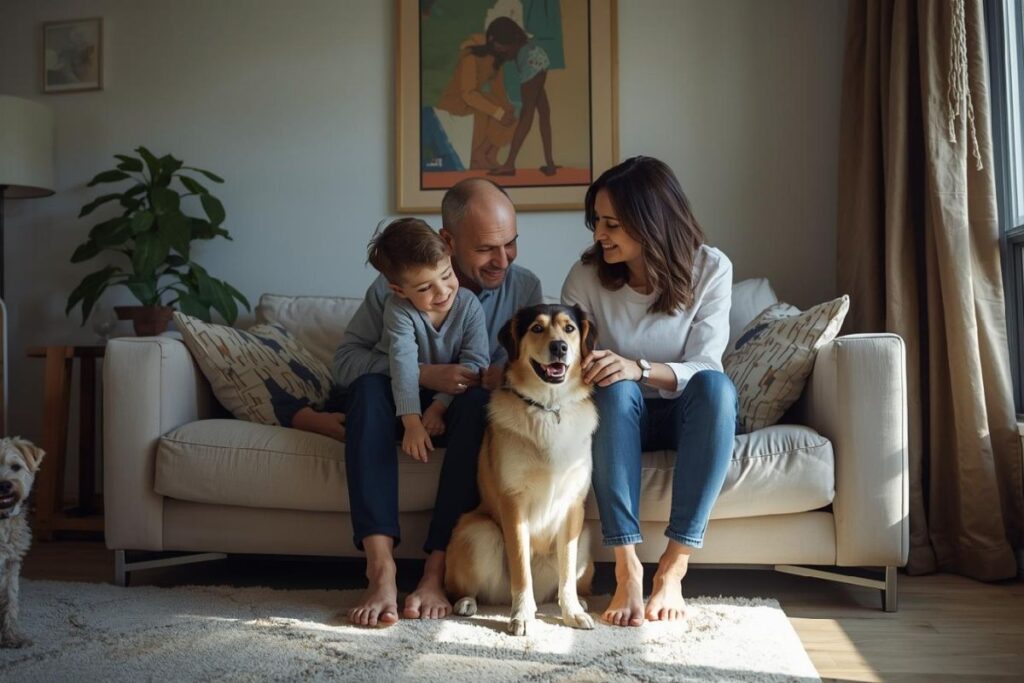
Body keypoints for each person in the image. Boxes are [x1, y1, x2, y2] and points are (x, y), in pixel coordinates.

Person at [332, 178, 543, 627]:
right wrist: (424, 375)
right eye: (488, 248)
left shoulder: (524, 290)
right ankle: (381, 569)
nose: (502, 260)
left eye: (511, 244)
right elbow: (345, 363)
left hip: (465, 412)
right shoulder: (397, 286)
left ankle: (435, 571)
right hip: (393, 409)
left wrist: (499, 376)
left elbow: (532, 378)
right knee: (368, 391)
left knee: (479, 403)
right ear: (448, 241)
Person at [560, 156, 737, 627]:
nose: (599, 234)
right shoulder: (586, 276)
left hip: (688, 414)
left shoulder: (710, 268)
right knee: (615, 392)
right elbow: (569, 363)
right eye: (596, 221)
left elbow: (704, 365)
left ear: (651, 221)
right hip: (620, 415)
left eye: (612, 223)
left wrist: (637, 367)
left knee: (718, 389)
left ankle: (673, 569)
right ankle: (627, 568)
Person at [360, 218, 490, 462]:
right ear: (399, 290)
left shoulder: (469, 304)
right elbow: (403, 364)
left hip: (450, 397)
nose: (442, 291)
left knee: (478, 400)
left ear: (450, 256)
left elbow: (475, 363)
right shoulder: (398, 310)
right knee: (369, 386)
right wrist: (412, 423)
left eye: (446, 275)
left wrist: (438, 407)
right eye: (424, 288)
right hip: (401, 394)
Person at [478, 17, 559, 177]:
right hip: (539, 60)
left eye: (504, 51)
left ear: (513, 43)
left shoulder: (523, 54)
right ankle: (550, 164)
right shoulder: (522, 44)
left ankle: (509, 164)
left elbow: (526, 113)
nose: (503, 55)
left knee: (526, 115)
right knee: (544, 112)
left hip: (532, 65)